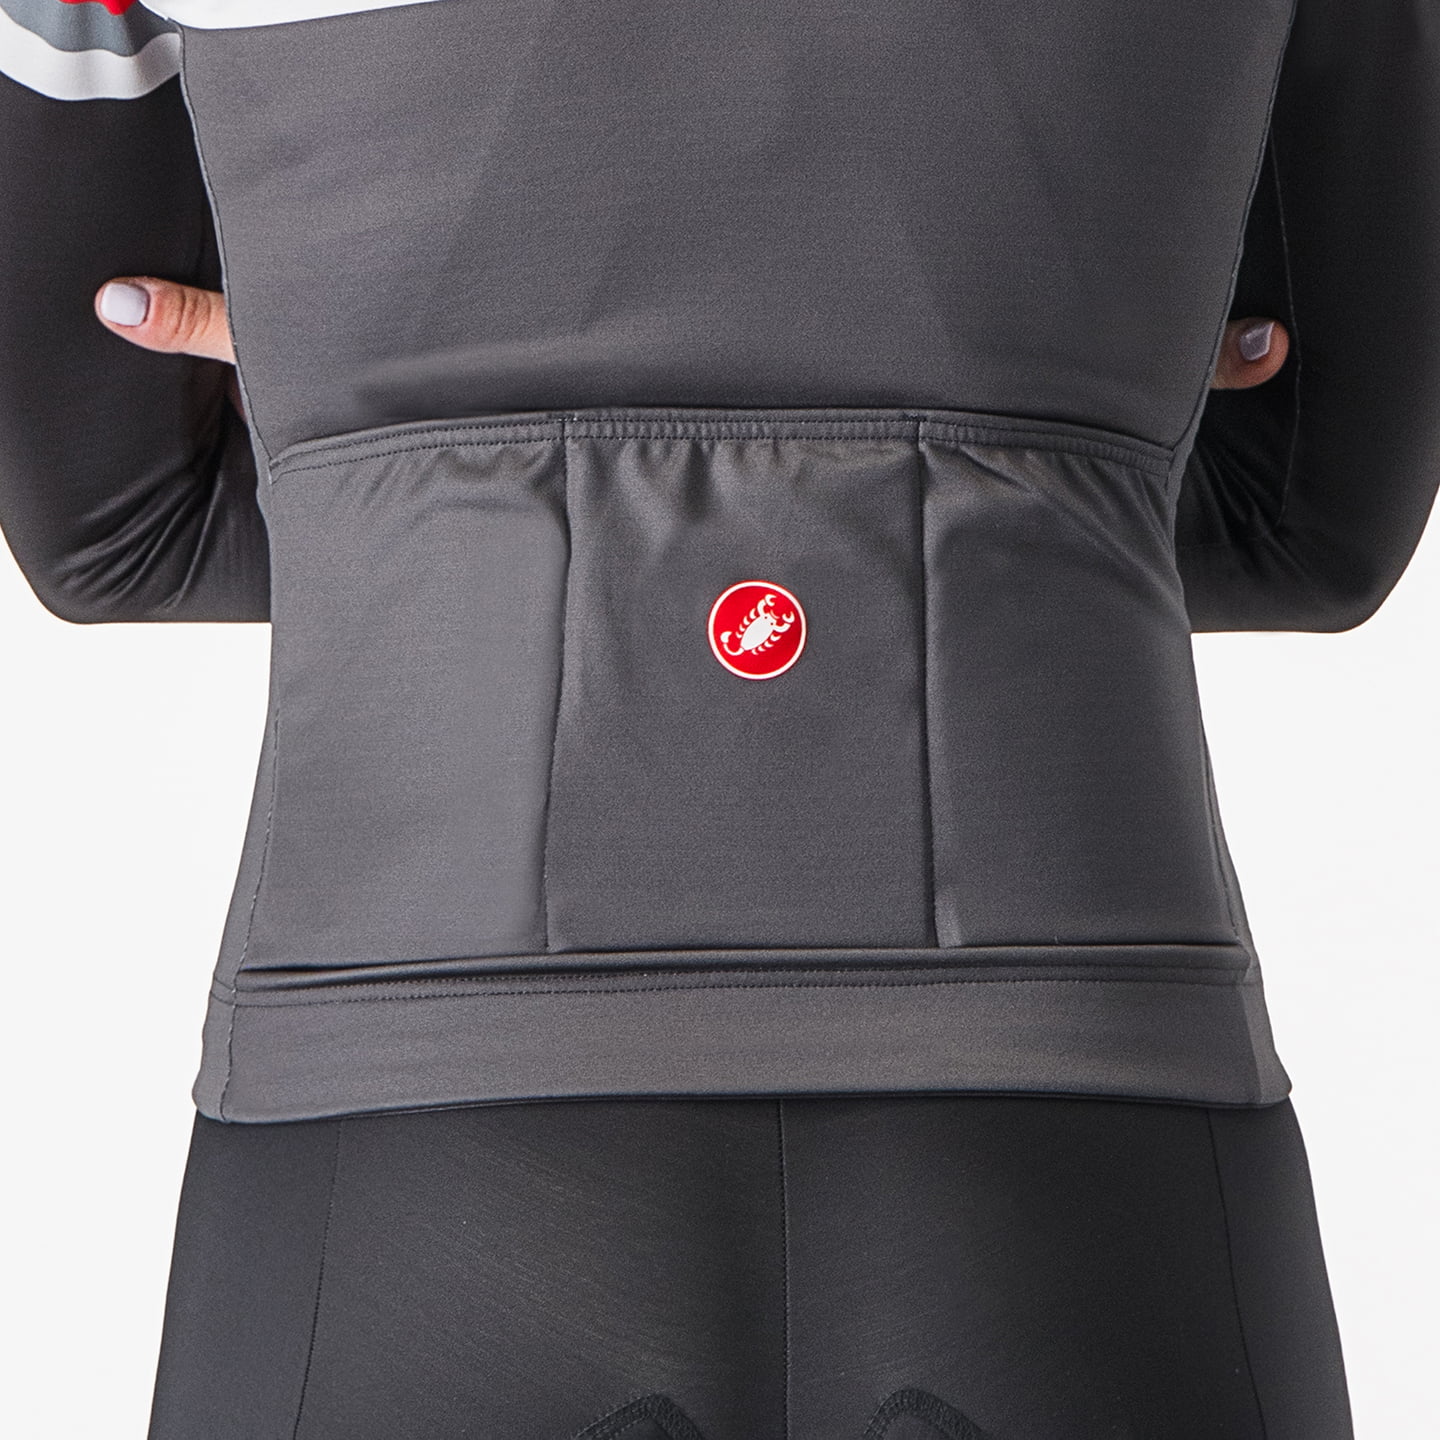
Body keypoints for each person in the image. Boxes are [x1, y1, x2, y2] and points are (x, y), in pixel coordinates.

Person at [1, 2, 1436, 1437]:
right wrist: (1055, 447)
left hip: (399, 1115)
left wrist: (377, 447)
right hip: (1081, 1109)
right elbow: (1304, 517)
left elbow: (123, 530)